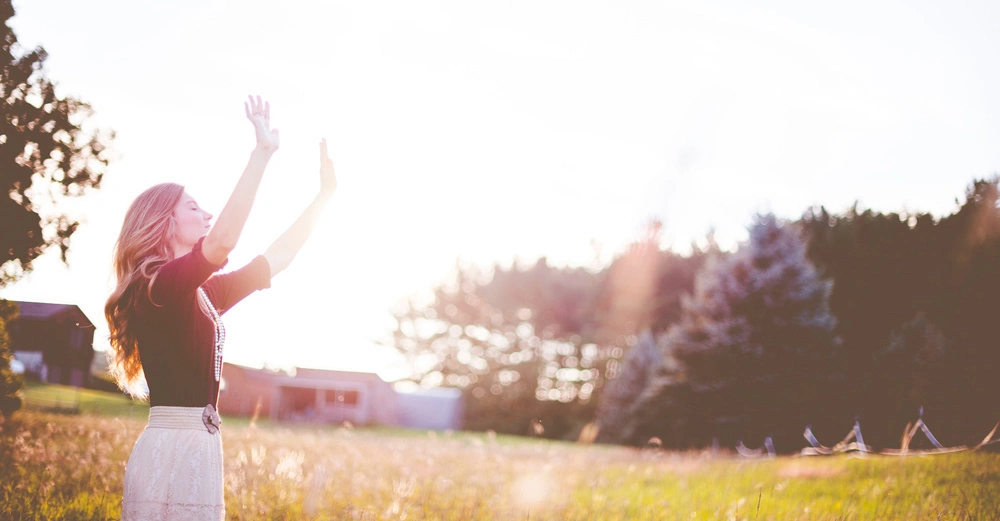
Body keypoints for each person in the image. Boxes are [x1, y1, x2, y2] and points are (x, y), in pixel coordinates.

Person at [104, 96, 336, 520]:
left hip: (201, 447)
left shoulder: (201, 292)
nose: (206, 214)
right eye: (193, 207)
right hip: (171, 450)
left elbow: (274, 260)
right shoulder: (157, 287)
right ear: (163, 223)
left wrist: (323, 198)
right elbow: (223, 242)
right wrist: (261, 155)